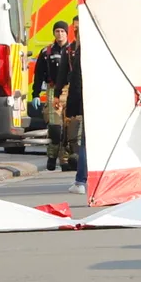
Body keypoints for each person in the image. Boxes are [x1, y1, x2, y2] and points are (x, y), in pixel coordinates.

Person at [31, 21, 69, 171]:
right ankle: (52, 157)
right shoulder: (46, 52)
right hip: (53, 91)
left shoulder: (73, 50)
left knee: (69, 129)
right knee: (55, 128)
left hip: (70, 90)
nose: (60, 34)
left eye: (62, 31)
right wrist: (35, 94)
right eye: (57, 31)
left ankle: (65, 160)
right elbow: (38, 74)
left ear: (67, 33)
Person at [55, 16, 85, 193]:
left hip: (84, 97)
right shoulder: (71, 50)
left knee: (84, 140)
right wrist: (58, 94)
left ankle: (81, 180)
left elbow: (76, 78)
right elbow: (63, 73)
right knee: (74, 136)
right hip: (84, 97)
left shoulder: (79, 49)